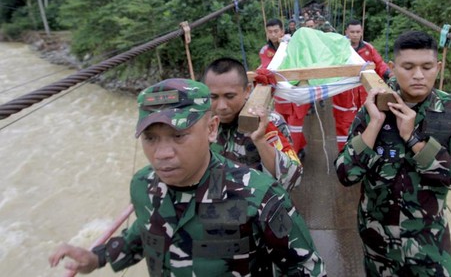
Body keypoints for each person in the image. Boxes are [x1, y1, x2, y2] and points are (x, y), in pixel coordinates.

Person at [49, 78, 326, 276]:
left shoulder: (259, 196)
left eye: (179, 136)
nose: (162, 154)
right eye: (150, 138)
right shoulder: (144, 186)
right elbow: (145, 231)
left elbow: (305, 268)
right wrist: (97, 257)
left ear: (211, 129)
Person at [334, 31, 451, 276]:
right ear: (392, 67)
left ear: (438, 67)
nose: (418, 75)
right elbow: (345, 174)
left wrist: (414, 140)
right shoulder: (374, 105)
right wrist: (375, 124)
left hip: (428, 246)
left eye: (426, 67)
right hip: (377, 244)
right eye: (408, 67)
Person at [203, 57, 303, 191]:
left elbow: (293, 178)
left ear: (248, 91)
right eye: (213, 97)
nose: (221, 106)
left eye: (230, 96)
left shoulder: (268, 122)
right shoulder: (203, 124)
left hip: (258, 204)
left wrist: (260, 141)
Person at [331, 19, 392, 151]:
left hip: (365, 95)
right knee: (343, 127)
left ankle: (363, 152)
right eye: (352, 31)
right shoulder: (339, 49)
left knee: (366, 123)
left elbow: (379, 64)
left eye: (358, 31)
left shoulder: (368, 48)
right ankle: (344, 153)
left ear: (362, 32)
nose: (355, 34)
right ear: (346, 31)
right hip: (344, 95)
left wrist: (389, 73)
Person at [258, 19, 310, 159]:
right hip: (281, 95)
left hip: (297, 91)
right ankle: (300, 146)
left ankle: (292, 156)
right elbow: (270, 69)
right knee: (285, 124)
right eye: (270, 32)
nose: (273, 34)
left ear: (282, 31)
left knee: (295, 125)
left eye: (276, 31)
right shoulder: (265, 50)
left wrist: (287, 45)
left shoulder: (294, 45)